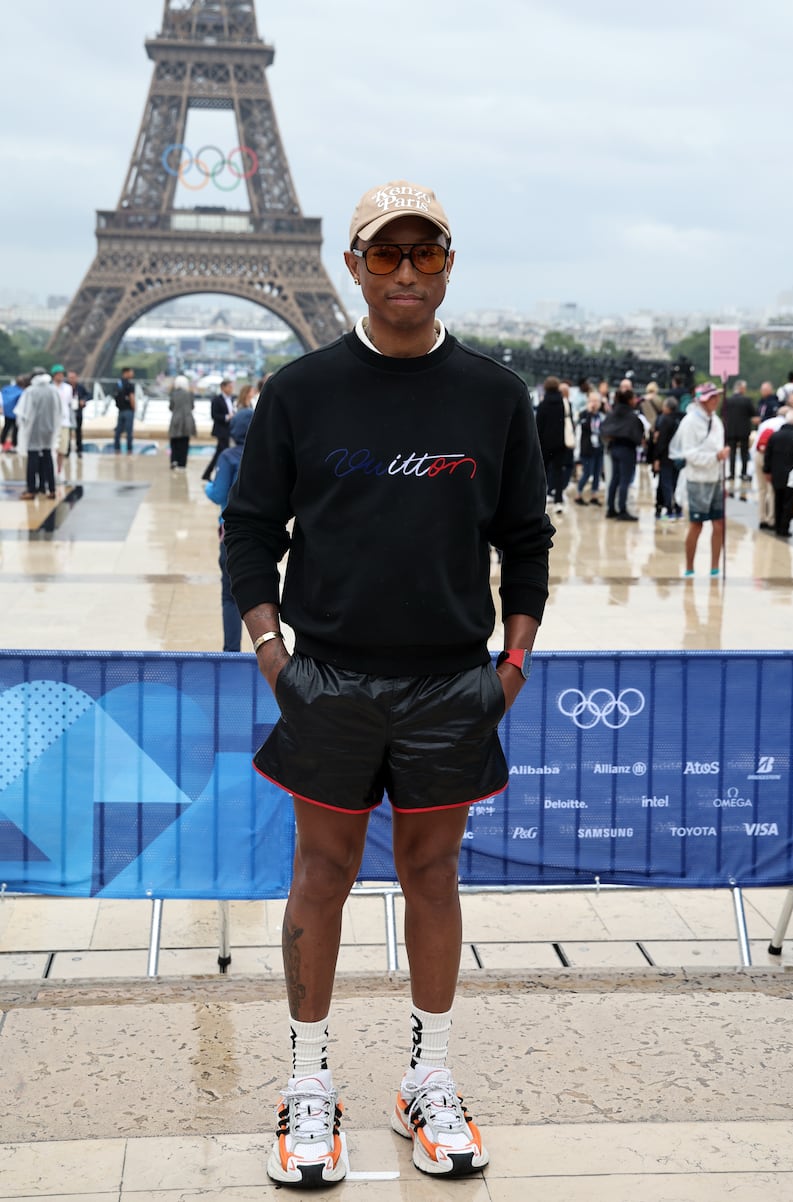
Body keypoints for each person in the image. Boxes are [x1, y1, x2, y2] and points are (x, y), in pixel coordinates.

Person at [223, 178, 555, 1188]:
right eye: (385, 254)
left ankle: (428, 1074)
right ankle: (307, 1080)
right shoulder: (300, 389)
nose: (405, 271)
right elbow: (247, 528)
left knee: (432, 875)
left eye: (424, 253)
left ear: (447, 261)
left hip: (452, 680)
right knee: (319, 874)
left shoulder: (493, 395)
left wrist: (510, 665)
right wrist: (276, 658)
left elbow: (526, 538)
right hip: (328, 676)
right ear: (352, 264)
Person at [205, 407, 254, 650]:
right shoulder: (264, 456)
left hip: (232, 536)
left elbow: (218, 494)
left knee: (230, 596)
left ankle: (232, 652)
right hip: (259, 536)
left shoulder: (228, 456)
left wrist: (207, 487)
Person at [671, 382, 728, 576]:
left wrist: (722, 474)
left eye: (717, 397)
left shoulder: (717, 421)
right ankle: (689, 566)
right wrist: (714, 458)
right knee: (697, 524)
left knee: (719, 523)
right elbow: (689, 454)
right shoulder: (690, 422)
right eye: (712, 397)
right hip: (697, 479)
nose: (716, 401)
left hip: (715, 478)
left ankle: (715, 566)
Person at [15, 367, 61, 499]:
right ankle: (50, 488)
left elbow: (23, 412)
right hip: (49, 430)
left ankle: (31, 489)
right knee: (47, 458)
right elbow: (59, 411)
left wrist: (23, 429)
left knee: (33, 460)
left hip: (33, 430)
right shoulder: (53, 390)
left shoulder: (31, 391)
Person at [600, 386, 644, 521]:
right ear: (630, 400)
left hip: (613, 448)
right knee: (625, 480)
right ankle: (622, 510)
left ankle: (611, 508)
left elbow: (603, 429)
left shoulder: (612, 414)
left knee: (614, 479)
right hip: (627, 449)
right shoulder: (632, 416)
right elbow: (638, 436)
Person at [535, 375, 573, 514]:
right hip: (560, 443)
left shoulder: (543, 405)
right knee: (558, 472)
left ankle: (541, 500)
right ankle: (558, 500)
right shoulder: (564, 403)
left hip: (545, 444)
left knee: (542, 473)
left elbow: (538, 426)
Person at [763, 408, 793, 538]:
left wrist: (767, 470)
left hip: (776, 473)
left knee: (777, 500)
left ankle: (777, 526)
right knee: (788, 503)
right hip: (792, 476)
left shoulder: (775, 435)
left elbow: (768, 454)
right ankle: (784, 528)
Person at [723, 380, 756, 492]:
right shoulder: (746, 400)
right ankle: (743, 473)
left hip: (731, 430)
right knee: (744, 452)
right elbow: (753, 413)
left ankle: (732, 473)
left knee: (732, 453)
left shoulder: (728, 400)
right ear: (741, 388)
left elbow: (724, 414)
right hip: (743, 430)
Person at [652, 396, 682, 519]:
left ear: (668, 408)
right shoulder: (681, 419)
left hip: (666, 456)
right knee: (676, 483)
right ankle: (678, 509)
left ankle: (668, 509)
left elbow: (662, 441)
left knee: (666, 483)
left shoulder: (665, 420)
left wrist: (656, 458)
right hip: (679, 456)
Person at [202, 377, 236, 481]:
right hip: (221, 430)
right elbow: (214, 415)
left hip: (229, 429)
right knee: (222, 452)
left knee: (220, 453)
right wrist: (226, 417)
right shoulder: (216, 400)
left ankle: (209, 473)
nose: (231, 389)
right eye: (229, 387)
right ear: (223, 387)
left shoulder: (232, 399)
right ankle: (217, 474)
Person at [574, 390, 604, 505]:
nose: (594, 403)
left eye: (596, 401)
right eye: (592, 401)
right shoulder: (584, 414)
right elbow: (584, 427)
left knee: (597, 473)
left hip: (598, 448)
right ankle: (578, 494)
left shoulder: (601, 416)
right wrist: (590, 412)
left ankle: (594, 495)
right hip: (587, 448)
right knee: (587, 473)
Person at [50, 365, 74, 482]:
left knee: (62, 450)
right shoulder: (49, 388)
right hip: (52, 422)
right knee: (52, 449)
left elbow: (69, 404)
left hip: (64, 422)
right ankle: (52, 472)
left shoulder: (68, 388)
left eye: (62, 374)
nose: (60, 376)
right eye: (58, 374)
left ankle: (59, 472)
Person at [167, 374, 196, 469]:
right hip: (187, 420)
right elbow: (192, 406)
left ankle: (174, 460)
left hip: (176, 419)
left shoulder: (174, 394)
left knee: (174, 441)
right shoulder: (189, 394)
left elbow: (171, 407)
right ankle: (182, 463)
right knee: (185, 442)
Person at [66, 370, 90, 457]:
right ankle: (67, 450)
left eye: (73, 377)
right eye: (70, 378)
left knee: (78, 432)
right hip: (68, 413)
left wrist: (83, 400)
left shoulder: (80, 387)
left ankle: (79, 450)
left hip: (78, 412)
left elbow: (88, 395)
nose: (72, 379)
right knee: (67, 432)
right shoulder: (65, 387)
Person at [114, 367, 136, 453]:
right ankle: (129, 449)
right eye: (131, 372)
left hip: (120, 410)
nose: (132, 374)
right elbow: (132, 397)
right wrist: (134, 408)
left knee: (118, 431)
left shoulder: (118, 383)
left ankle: (117, 449)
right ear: (126, 373)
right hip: (128, 410)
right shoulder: (129, 384)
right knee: (129, 432)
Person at [1, 374, 26, 451]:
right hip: (16, 414)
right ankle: (14, 445)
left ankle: (1, 443)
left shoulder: (7, 388)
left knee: (6, 428)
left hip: (6, 412)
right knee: (16, 430)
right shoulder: (22, 392)